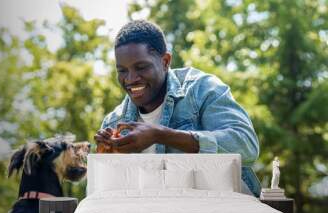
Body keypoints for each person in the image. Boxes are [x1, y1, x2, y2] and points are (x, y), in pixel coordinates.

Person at [94, 20, 261, 196]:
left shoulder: (201, 89)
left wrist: (162, 135)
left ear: (165, 61)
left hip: (223, 212)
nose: (130, 79)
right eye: (122, 71)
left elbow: (246, 145)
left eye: (141, 67)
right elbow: (108, 194)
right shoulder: (114, 122)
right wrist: (107, 160)